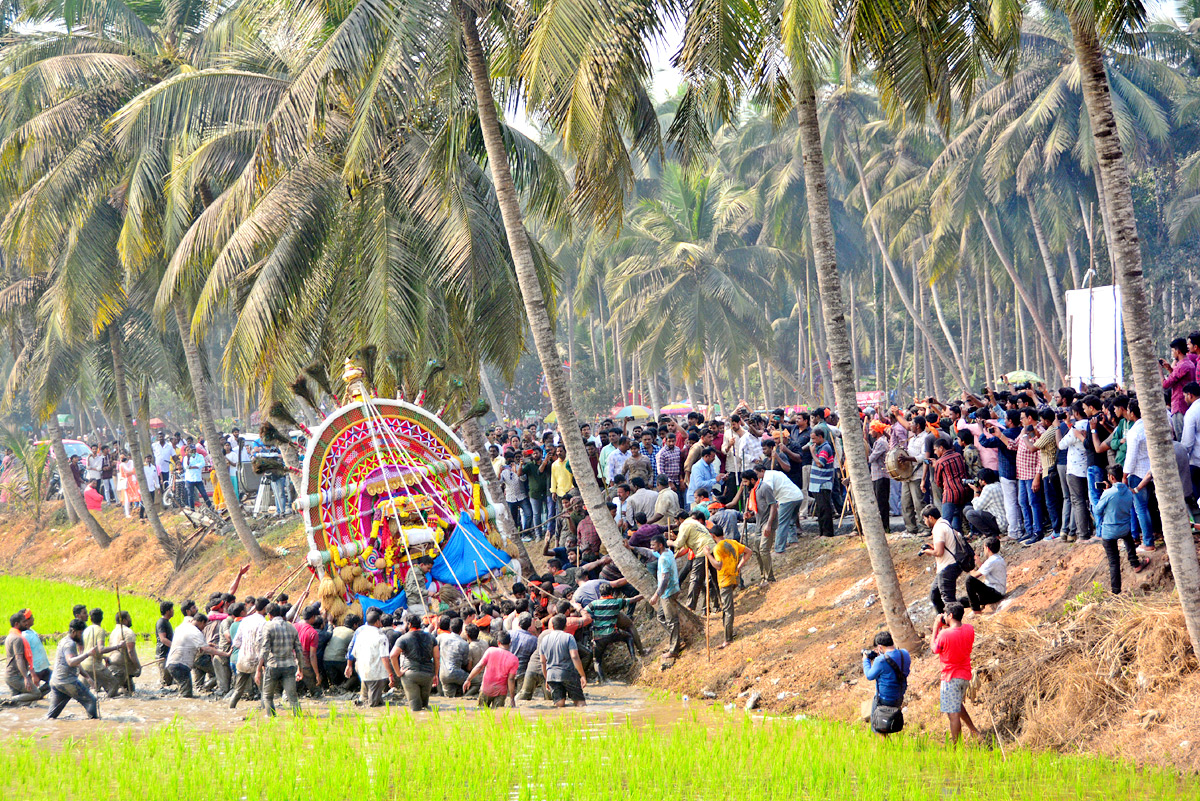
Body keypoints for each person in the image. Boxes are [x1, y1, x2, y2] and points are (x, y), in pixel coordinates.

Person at [1094, 465, 1149, 594]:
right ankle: (1135, 563)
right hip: (1124, 528)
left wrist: (1105, 493)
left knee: (1114, 562)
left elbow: (1097, 510)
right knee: (1128, 538)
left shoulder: (1108, 493)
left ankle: (1116, 591)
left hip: (1109, 532)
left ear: (1111, 477)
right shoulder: (1129, 491)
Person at [932, 603, 979, 744]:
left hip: (950, 677)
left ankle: (956, 748)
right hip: (965, 675)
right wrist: (944, 626)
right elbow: (957, 633)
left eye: (946, 614)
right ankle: (974, 731)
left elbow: (934, 649)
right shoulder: (969, 629)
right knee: (957, 705)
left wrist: (936, 628)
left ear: (950, 615)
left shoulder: (943, 634)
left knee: (953, 715)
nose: (944, 616)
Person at [46, 620, 103, 720]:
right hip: (68, 682)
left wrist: (87, 677)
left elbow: (75, 663)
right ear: (73, 631)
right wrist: (87, 654)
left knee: (51, 716)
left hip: (56, 681)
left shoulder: (63, 641)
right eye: (80, 633)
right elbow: (71, 662)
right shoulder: (70, 644)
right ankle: (94, 724)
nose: (82, 636)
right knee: (91, 700)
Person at [705, 522, 749, 648]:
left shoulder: (718, 548)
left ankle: (728, 639)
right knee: (726, 607)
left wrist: (708, 554)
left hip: (725, 580)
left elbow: (718, 565)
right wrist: (738, 567)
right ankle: (727, 632)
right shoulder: (732, 542)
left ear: (713, 535)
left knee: (728, 609)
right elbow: (748, 552)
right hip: (734, 578)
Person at [255, 603, 304, 717]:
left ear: (269, 615)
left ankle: (271, 718)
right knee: (293, 697)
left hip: (273, 666)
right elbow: (299, 651)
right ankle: (299, 718)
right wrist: (300, 669)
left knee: (267, 696)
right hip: (289, 666)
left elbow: (265, 650)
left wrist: (258, 670)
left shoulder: (268, 626)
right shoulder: (291, 627)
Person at [165, 612, 226, 698]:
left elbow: (188, 642)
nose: (203, 629)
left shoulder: (181, 627)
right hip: (181, 665)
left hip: (171, 663)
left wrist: (206, 644)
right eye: (204, 626)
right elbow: (206, 649)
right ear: (201, 622)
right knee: (186, 695)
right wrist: (224, 653)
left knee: (184, 690)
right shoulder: (196, 632)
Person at [862, 631, 911, 737]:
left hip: (883, 699)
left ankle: (885, 751)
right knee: (887, 725)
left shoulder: (881, 660)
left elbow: (869, 676)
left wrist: (866, 660)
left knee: (878, 729)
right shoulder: (905, 654)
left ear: (880, 647)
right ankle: (889, 750)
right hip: (898, 697)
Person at [390, 613, 439, 711]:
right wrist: (436, 674)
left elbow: (393, 655)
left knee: (415, 708)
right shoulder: (431, 637)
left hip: (410, 674)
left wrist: (398, 673)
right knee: (425, 706)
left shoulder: (403, 638)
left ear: (409, 624)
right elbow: (437, 657)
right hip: (428, 674)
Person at [921, 505, 963, 615]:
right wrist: (932, 547)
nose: (925, 522)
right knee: (934, 595)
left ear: (930, 517)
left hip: (947, 567)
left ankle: (955, 626)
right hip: (950, 565)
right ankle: (943, 623)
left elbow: (939, 552)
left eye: (925, 519)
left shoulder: (938, 528)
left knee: (949, 601)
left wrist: (928, 552)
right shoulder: (945, 523)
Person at [537, 614, 587, 708]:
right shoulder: (569, 637)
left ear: (552, 625)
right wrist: (582, 675)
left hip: (552, 675)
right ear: (565, 625)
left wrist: (547, 678)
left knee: (559, 705)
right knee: (581, 704)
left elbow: (543, 662)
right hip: (568, 674)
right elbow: (574, 656)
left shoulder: (544, 639)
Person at [648, 534, 682, 658]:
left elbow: (665, 578)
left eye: (653, 545)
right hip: (668, 592)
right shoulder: (667, 553)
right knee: (661, 616)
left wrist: (657, 595)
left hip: (668, 593)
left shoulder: (663, 559)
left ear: (660, 545)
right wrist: (632, 548)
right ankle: (677, 640)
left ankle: (674, 650)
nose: (651, 547)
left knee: (672, 621)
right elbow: (649, 552)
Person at [347, 608, 390, 707]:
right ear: (377, 621)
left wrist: (349, 665)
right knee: (373, 703)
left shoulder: (360, 633)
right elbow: (384, 657)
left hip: (362, 668)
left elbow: (353, 651)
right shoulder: (381, 636)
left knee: (366, 694)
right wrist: (390, 673)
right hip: (375, 671)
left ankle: (362, 703)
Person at [230, 598, 269, 706]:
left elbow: (236, 642)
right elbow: (261, 645)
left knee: (238, 690)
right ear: (265, 608)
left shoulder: (245, 620)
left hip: (242, 659)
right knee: (263, 691)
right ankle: (266, 714)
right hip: (256, 661)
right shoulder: (263, 623)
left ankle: (231, 708)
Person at [467, 630, 520, 708]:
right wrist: (512, 698)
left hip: (486, 689)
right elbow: (511, 679)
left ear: (498, 642)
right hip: (501, 692)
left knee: (481, 712)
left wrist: (468, 679)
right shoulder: (514, 659)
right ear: (510, 643)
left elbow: (479, 666)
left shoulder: (490, 651)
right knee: (497, 715)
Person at [961, 537, 1006, 614]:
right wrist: (978, 563)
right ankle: (976, 606)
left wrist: (970, 566)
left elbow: (974, 575)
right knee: (961, 601)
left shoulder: (991, 561)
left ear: (987, 548)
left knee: (969, 580)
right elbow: (987, 572)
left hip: (994, 594)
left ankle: (976, 610)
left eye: (984, 548)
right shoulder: (998, 558)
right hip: (994, 592)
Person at [6, 609, 43, 703]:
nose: (26, 623)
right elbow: (19, 659)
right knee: (36, 693)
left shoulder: (10, 636)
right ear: (17, 624)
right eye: (24, 622)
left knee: (18, 704)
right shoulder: (17, 638)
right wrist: (26, 678)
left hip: (10, 676)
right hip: (15, 676)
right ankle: (8, 700)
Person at [808, 427, 837, 538]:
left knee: (825, 509)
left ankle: (827, 533)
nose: (812, 442)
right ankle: (821, 532)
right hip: (817, 484)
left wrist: (812, 453)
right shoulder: (819, 447)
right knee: (820, 509)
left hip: (823, 483)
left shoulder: (825, 448)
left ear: (820, 437)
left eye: (814, 439)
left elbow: (820, 463)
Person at [436, 616, 472, 697]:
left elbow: (434, 648)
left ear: (450, 628)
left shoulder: (441, 637)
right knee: (474, 681)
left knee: (448, 697)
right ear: (461, 630)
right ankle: (465, 696)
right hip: (456, 673)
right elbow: (465, 663)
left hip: (443, 674)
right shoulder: (464, 644)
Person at [108, 610, 139, 696]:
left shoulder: (113, 632)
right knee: (112, 695)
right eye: (129, 618)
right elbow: (131, 651)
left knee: (130, 691)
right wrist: (138, 667)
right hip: (121, 669)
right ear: (124, 620)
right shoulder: (128, 632)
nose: (131, 619)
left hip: (113, 666)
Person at [155, 600, 175, 687]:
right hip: (162, 656)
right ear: (167, 611)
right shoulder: (161, 622)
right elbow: (163, 639)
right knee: (166, 682)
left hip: (168, 655)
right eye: (172, 609)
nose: (173, 611)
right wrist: (175, 647)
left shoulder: (167, 622)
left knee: (170, 681)